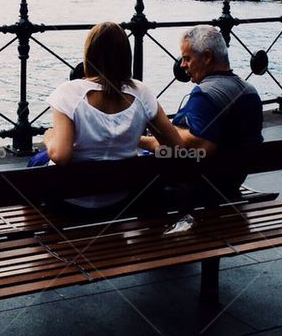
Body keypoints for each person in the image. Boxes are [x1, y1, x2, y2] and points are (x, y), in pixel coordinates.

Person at [42, 22, 185, 213]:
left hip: (69, 204)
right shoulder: (141, 93)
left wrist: (49, 138)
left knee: (36, 161)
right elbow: (176, 148)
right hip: (119, 200)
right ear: (126, 56)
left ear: (89, 54)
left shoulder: (69, 93)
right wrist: (141, 142)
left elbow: (60, 155)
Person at [139, 24, 263, 196]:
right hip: (230, 185)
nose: (182, 65)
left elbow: (195, 147)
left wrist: (139, 139)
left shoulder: (205, 94)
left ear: (206, 57)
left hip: (197, 189)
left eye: (187, 58)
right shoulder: (250, 91)